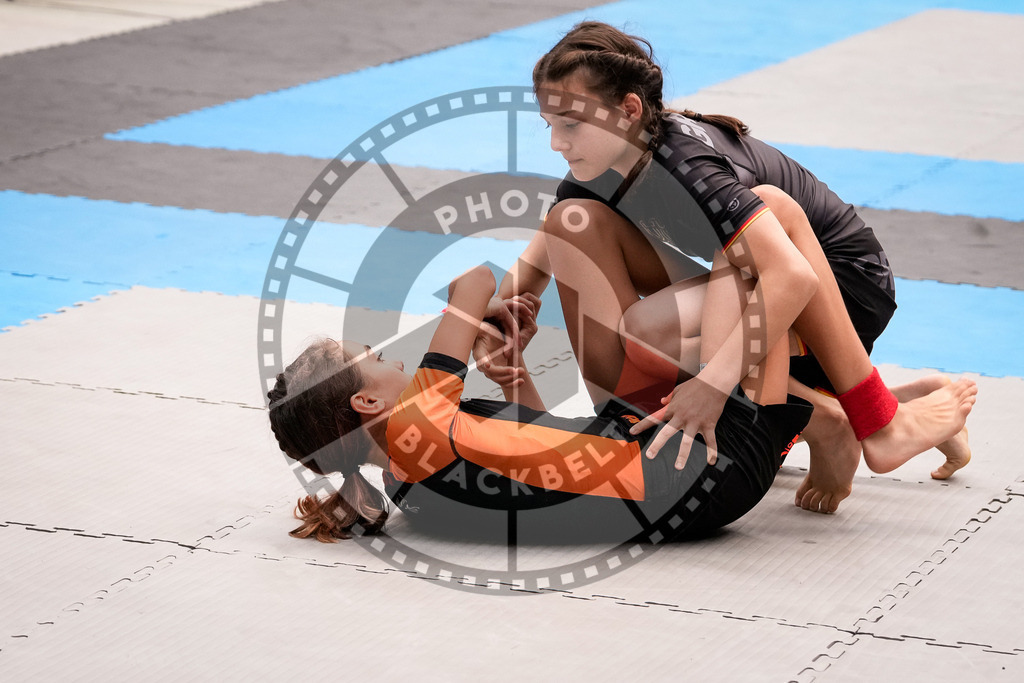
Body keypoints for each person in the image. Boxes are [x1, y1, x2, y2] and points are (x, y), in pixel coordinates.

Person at [493, 20, 976, 514]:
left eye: (571, 125)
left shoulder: (687, 164)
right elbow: (534, 262)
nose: (556, 143)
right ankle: (867, 404)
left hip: (843, 288)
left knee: (648, 330)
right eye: (550, 125)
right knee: (571, 226)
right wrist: (488, 325)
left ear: (629, 110)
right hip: (755, 275)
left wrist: (711, 385)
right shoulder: (605, 162)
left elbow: (793, 275)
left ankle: (862, 418)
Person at [266, 262, 811, 543]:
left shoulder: (403, 487)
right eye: (376, 357)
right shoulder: (416, 420)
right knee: (752, 245)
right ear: (365, 401)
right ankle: (858, 407)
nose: (398, 361)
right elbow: (473, 280)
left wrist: (513, 377)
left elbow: (553, 466)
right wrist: (476, 317)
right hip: (705, 461)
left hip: (688, 496)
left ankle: (833, 409)